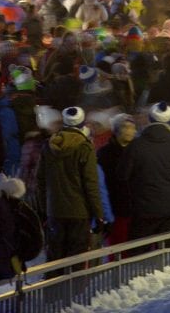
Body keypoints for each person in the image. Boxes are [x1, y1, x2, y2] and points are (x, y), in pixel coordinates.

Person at [35, 105, 104, 262]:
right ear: (82, 124)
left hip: (55, 210)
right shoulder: (85, 147)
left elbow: (40, 180)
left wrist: (45, 208)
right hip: (79, 212)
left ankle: (53, 286)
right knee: (76, 258)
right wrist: (98, 214)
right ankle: (73, 286)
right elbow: (91, 183)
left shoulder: (49, 146)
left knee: (55, 257)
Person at [125, 102, 170, 245]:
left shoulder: (136, 145)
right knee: (168, 254)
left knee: (139, 255)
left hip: (144, 207)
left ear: (150, 118)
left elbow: (122, 174)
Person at [97, 113, 136, 246]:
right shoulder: (105, 153)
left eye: (132, 127)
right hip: (115, 208)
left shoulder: (138, 150)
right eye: (126, 127)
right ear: (116, 130)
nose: (130, 130)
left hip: (136, 208)